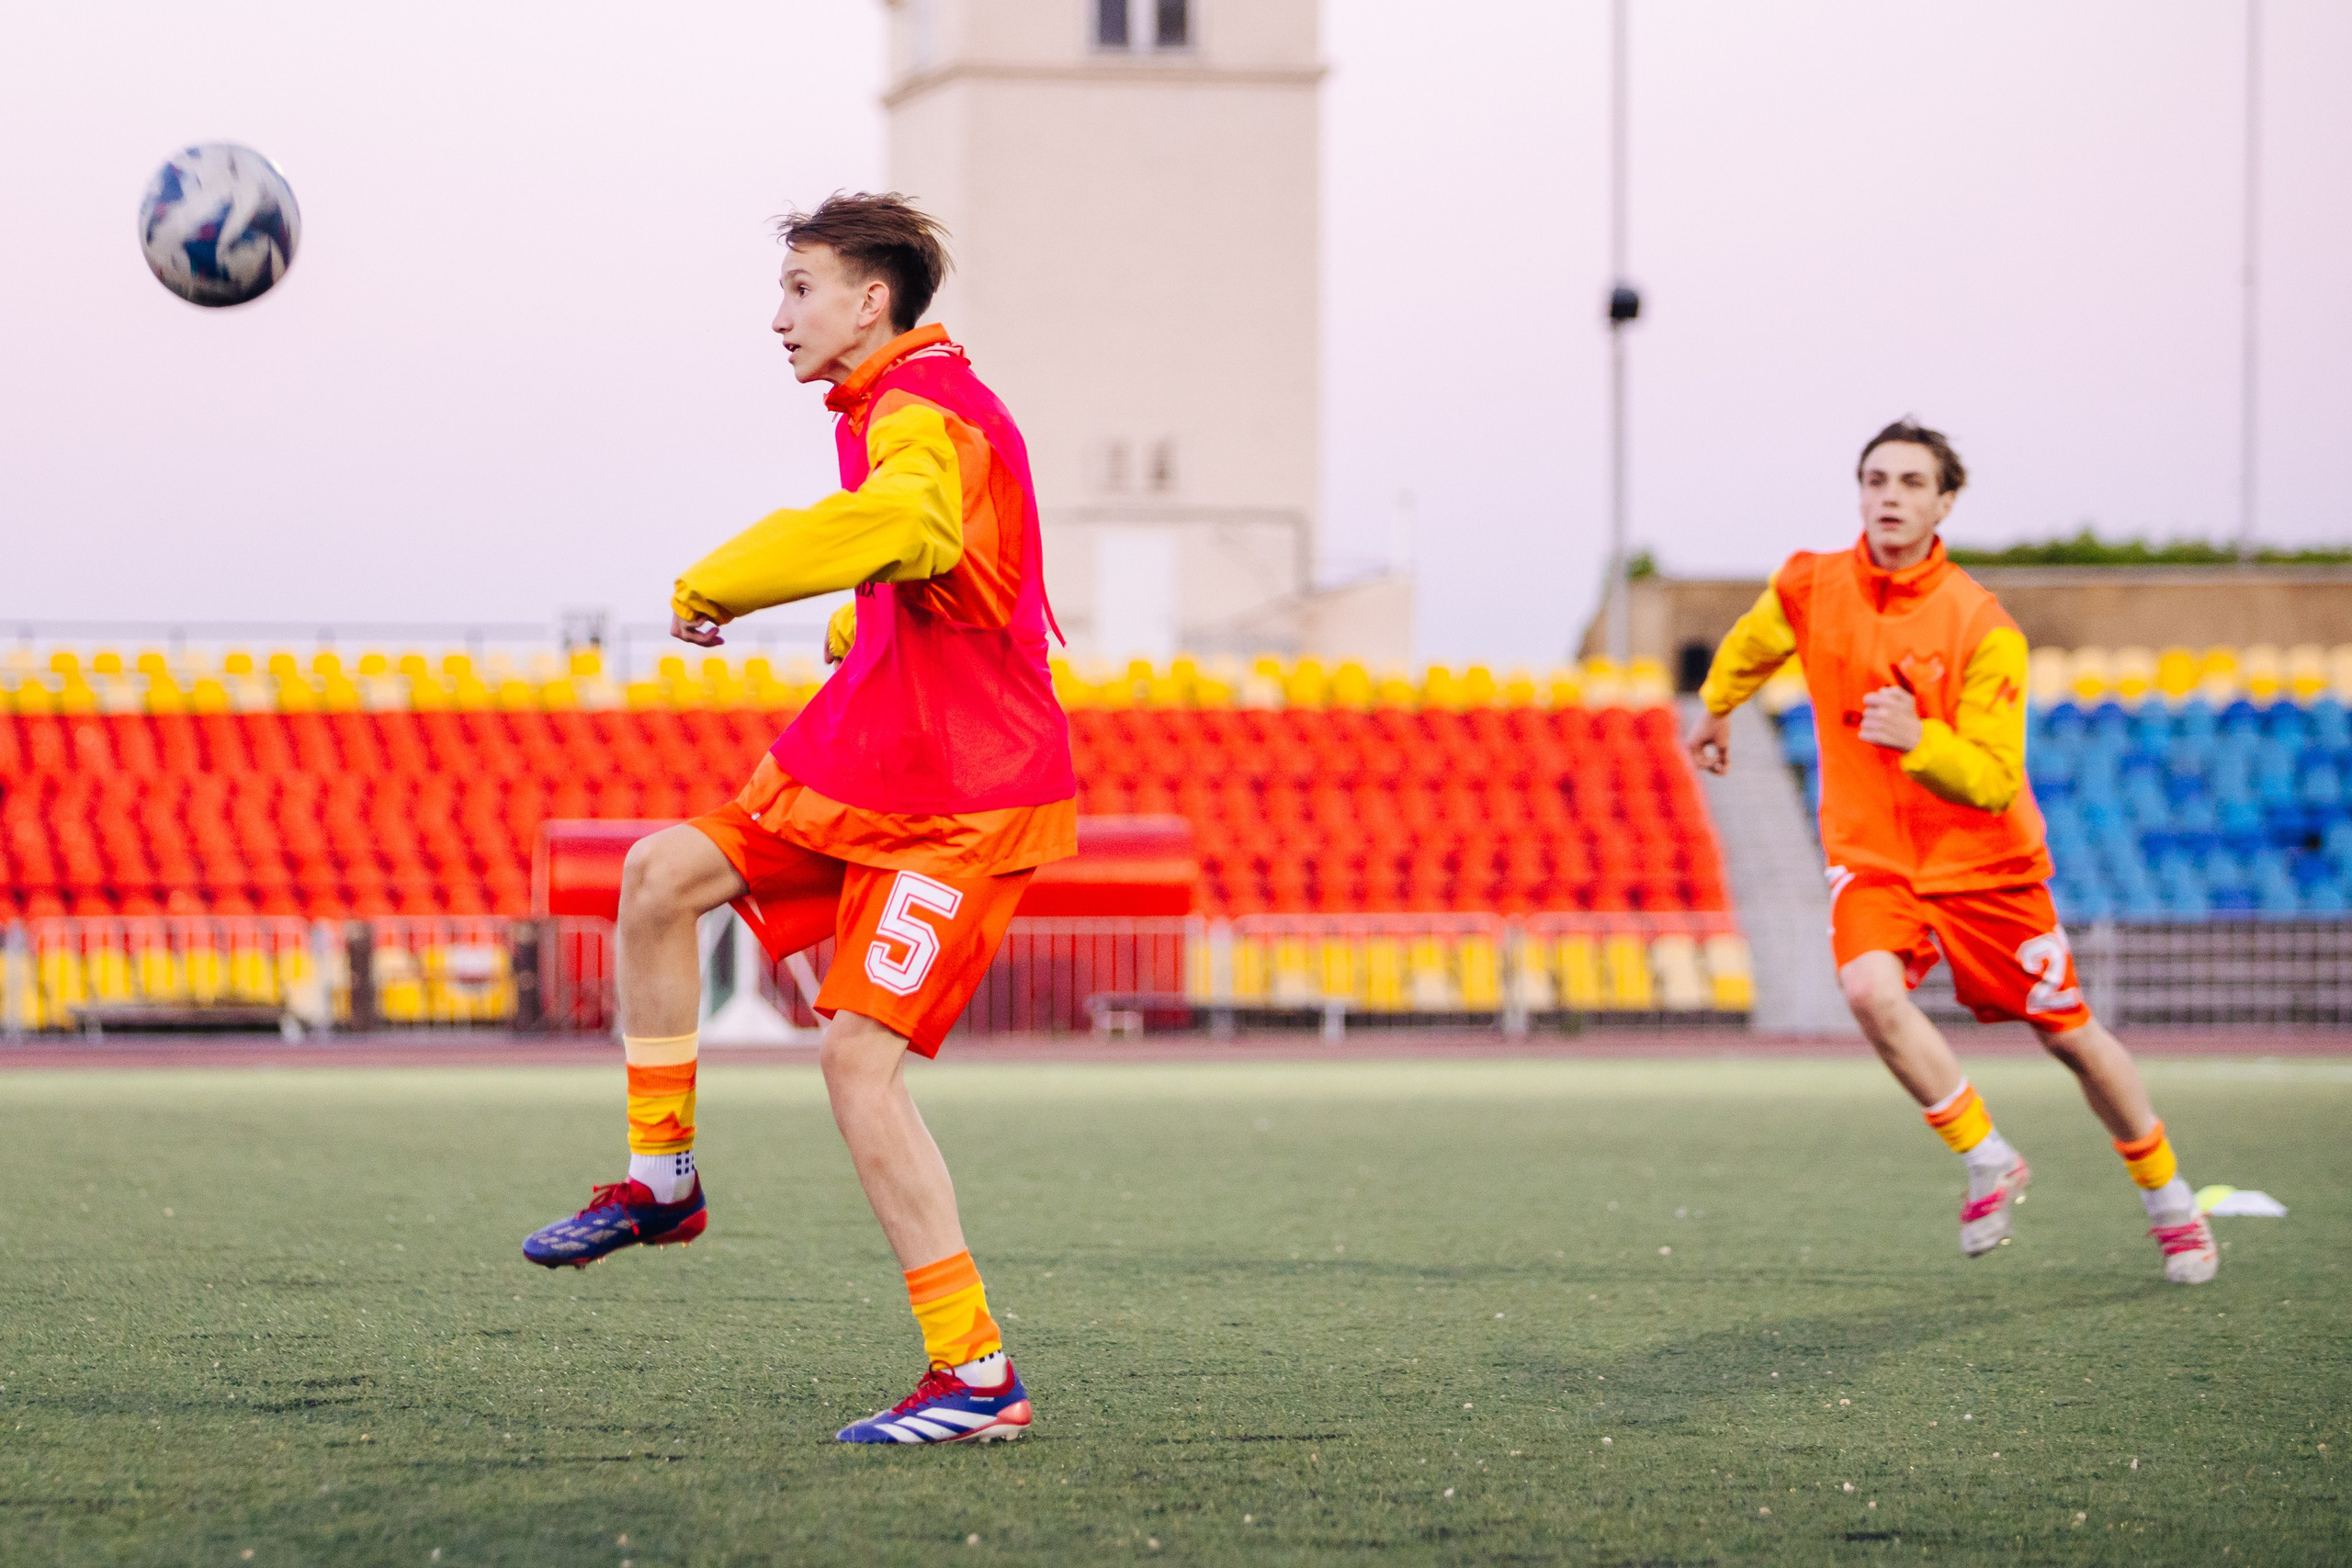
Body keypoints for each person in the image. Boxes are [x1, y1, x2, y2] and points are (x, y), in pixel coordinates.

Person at [521, 192, 1080, 1439]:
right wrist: (863, 619)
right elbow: (960, 560)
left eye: (800, 289)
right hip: (880, 757)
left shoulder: (924, 403)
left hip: (963, 801)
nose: (779, 317)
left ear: (869, 300)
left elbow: (915, 520)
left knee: (855, 1064)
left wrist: (732, 575)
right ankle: (663, 1180)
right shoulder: (906, 402)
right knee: (661, 875)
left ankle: (977, 1373)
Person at [1685, 419, 2217, 1284]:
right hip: (1875, 855)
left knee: (2071, 1037)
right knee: (1866, 989)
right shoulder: (1809, 582)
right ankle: (1987, 1154)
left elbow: (1997, 777)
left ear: (1944, 501)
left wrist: (1918, 738)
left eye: (1908, 482)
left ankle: (2168, 1196)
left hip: (1986, 869)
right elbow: (1753, 639)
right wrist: (1715, 707)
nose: (1888, 496)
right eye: (1875, 479)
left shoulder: (1983, 626)